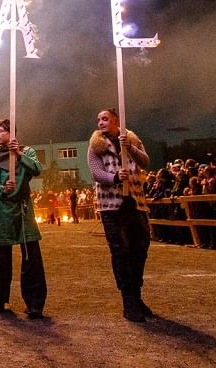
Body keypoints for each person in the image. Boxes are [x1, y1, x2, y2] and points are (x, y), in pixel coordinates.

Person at [87, 108, 152, 323]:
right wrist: (114, 177)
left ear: (116, 121)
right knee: (121, 250)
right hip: (111, 205)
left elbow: (145, 162)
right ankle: (128, 300)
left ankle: (137, 294)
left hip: (135, 201)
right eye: (99, 119)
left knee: (140, 248)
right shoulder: (95, 146)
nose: (101, 122)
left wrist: (130, 147)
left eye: (105, 119)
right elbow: (96, 172)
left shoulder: (130, 139)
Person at [0, 117, 46, 319]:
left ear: (12, 133)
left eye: (1, 130)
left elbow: (36, 169)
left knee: (31, 258)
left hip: (23, 209)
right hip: (2, 210)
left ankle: (35, 304)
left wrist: (17, 154)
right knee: (0, 260)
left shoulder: (27, 152)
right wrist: (3, 188)